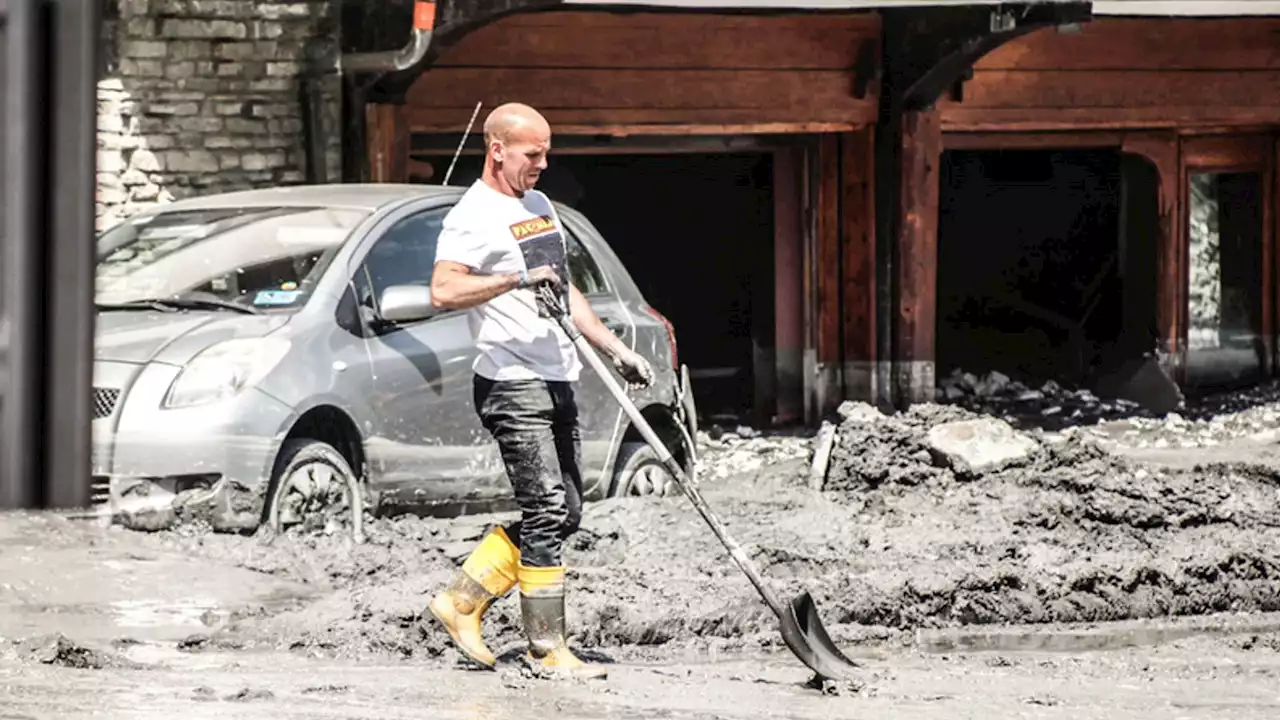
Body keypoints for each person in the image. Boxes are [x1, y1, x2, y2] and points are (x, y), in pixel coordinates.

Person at [426, 102, 655, 680]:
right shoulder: (471, 216)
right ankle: (548, 649)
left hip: (557, 373)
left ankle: (460, 601)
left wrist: (615, 348)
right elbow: (442, 290)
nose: (543, 164)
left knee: (568, 509)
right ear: (497, 148)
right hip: (510, 380)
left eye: (547, 153)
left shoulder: (539, 206)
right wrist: (512, 280)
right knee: (547, 508)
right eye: (533, 154)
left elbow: (563, 288)